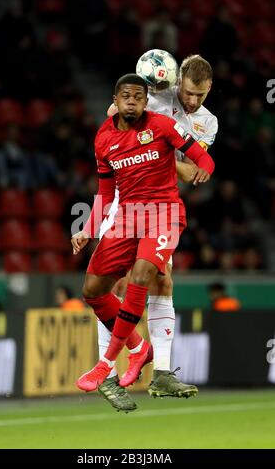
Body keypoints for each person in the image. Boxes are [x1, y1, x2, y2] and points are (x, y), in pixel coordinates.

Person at [71, 73, 215, 405]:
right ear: (115, 100)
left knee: (142, 277)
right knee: (93, 289)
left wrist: (205, 167)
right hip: (127, 217)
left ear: (146, 100)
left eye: (139, 96)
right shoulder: (104, 139)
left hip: (164, 214)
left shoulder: (163, 126)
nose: (133, 101)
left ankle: (107, 363)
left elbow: (201, 157)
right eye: (127, 96)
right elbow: (106, 194)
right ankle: (139, 347)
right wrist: (88, 229)